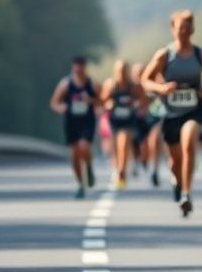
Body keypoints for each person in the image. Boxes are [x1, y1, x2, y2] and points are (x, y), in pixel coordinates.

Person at [141, 10, 202, 217]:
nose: (183, 31)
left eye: (187, 27)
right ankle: (177, 182)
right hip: (170, 112)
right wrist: (161, 89)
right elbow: (145, 80)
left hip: (194, 109)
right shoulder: (164, 55)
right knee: (175, 161)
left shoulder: (201, 55)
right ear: (173, 29)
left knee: (189, 142)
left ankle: (186, 194)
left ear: (192, 29)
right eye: (179, 27)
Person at [49, 56, 101, 199]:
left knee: (84, 146)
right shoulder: (65, 84)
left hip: (87, 120)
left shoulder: (92, 84)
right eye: (76, 66)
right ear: (73, 67)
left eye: (81, 66)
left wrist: (91, 101)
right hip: (71, 121)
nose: (78, 69)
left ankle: (89, 167)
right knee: (74, 155)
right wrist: (61, 108)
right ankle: (80, 184)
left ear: (85, 67)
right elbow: (54, 102)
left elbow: (102, 101)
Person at [100, 59, 144, 189]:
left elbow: (143, 100)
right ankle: (116, 169)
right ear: (115, 71)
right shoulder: (110, 84)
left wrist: (136, 104)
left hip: (129, 119)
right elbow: (102, 100)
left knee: (124, 144)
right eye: (119, 70)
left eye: (124, 70)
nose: (121, 73)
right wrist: (109, 104)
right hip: (114, 120)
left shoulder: (134, 86)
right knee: (115, 147)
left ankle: (122, 173)